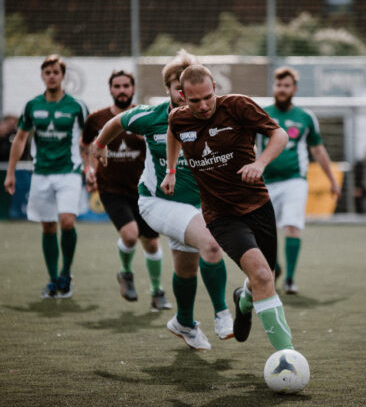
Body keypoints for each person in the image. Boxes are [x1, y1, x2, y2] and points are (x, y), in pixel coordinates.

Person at [92, 50, 233, 350]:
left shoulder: (210, 117)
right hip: (157, 203)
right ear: (168, 89)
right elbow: (118, 121)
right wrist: (100, 144)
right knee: (211, 244)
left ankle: (183, 321)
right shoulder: (152, 116)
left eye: (193, 91)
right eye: (177, 88)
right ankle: (222, 313)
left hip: (195, 206)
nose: (186, 95)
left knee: (186, 270)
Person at [162, 64, 296, 354]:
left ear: (215, 89)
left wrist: (259, 164)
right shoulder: (179, 118)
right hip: (220, 215)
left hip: (257, 206)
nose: (203, 105)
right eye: (194, 100)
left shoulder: (237, 106)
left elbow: (280, 135)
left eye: (208, 97)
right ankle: (287, 358)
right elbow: (173, 131)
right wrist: (171, 170)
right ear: (183, 96)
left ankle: (244, 299)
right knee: (262, 275)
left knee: (263, 278)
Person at [81, 70, 171, 310]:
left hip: (144, 189)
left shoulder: (144, 116)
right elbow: (85, 144)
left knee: (151, 244)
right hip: (111, 189)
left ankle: (156, 291)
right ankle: (126, 273)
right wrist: (88, 169)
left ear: (133, 89)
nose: (121, 90)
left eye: (126, 86)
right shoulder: (96, 119)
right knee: (130, 235)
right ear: (110, 89)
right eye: (117, 86)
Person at [4, 54, 88, 298]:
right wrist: (10, 173)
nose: (51, 76)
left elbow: (88, 140)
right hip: (41, 173)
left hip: (69, 173)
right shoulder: (32, 105)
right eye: (47, 72)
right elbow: (20, 139)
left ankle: (66, 273)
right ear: (43, 76)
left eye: (55, 72)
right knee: (48, 226)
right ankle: (52, 280)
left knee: (67, 221)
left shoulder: (77, 105)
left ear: (63, 76)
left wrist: (90, 167)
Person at [262, 66, 340, 294]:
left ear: (294, 89)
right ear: (274, 87)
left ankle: (290, 281)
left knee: (292, 226)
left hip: (295, 181)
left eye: (286, 86)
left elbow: (318, 150)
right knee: (265, 234)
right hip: (265, 182)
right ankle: (275, 268)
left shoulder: (305, 117)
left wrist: (332, 181)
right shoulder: (261, 114)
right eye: (278, 85)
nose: (282, 89)